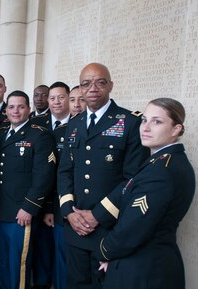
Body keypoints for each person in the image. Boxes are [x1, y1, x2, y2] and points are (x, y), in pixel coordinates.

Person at [57, 63, 149, 289]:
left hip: (108, 228)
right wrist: (69, 212)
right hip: (75, 227)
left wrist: (97, 215)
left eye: (100, 82)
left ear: (110, 86)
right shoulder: (75, 123)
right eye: (86, 84)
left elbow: (132, 179)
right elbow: (65, 171)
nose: (93, 88)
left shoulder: (129, 122)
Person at [91, 98, 195, 289]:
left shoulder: (161, 171)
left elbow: (132, 229)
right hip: (146, 264)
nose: (145, 128)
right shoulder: (164, 162)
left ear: (176, 129)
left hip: (144, 271)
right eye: (144, 120)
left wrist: (104, 252)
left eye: (157, 121)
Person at [0, 90, 56, 289]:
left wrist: (29, 207)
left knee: (18, 265)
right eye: (11, 106)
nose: (16, 111)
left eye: (21, 106)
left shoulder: (39, 135)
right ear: (6, 110)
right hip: (1, 210)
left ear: (29, 109)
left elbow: (44, 175)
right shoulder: (2, 135)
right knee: (2, 261)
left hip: (22, 212)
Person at [31, 81, 71, 289]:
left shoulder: (78, 125)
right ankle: (41, 282)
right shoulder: (36, 122)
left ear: (69, 98)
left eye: (61, 97)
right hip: (39, 197)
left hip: (64, 198)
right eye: (52, 98)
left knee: (63, 250)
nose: (56, 102)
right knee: (41, 247)